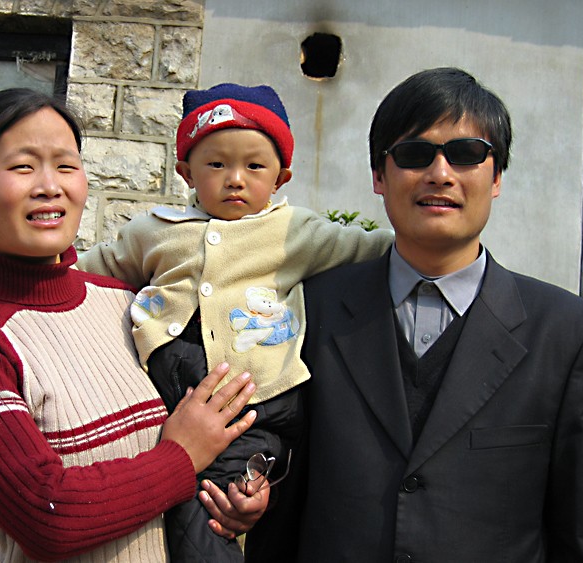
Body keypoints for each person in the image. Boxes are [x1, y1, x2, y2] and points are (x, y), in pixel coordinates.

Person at [261, 67, 583, 562]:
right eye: (413, 154)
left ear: (496, 177)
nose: (440, 174)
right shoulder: (310, 310)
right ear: (378, 177)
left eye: (466, 154)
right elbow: (280, 512)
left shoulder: (569, 335)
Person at [0, 88, 268, 563]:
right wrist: (183, 457)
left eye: (65, 165)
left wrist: (230, 497)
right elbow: (50, 517)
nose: (50, 186)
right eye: (23, 166)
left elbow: (192, 440)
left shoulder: (125, 303)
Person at [76, 82, 394, 561]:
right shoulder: (153, 231)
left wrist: (431, 242)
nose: (235, 179)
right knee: (156, 503)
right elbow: (90, 269)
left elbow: (369, 247)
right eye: (216, 164)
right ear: (186, 172)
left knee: (209, 511)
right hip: (170, 394)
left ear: (281, 177)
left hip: (257, 405)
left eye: (254, 166)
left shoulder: (296, 232)